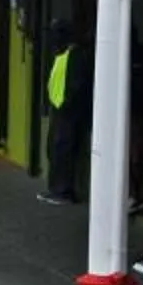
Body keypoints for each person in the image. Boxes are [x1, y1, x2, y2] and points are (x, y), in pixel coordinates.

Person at [41, 21, 91, 203]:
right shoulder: (63, 55)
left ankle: (63, 191)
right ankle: (56, 188)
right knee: (55, 149)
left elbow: (76, 86)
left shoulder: (76, 56)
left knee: (63, 150)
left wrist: (66, 104)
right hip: (59, 108)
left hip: (68, 112)